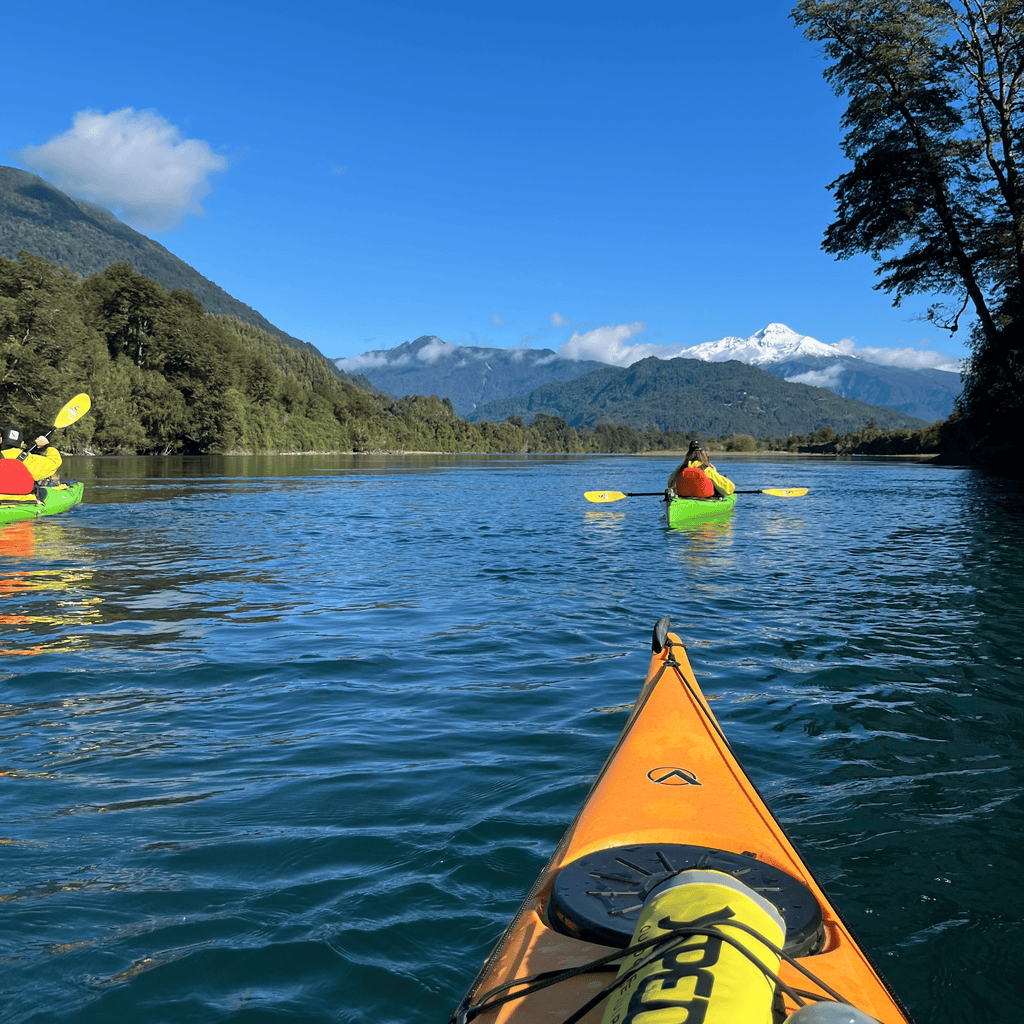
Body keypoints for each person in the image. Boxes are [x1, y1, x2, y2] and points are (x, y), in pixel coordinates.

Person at [666, 440, 735, 499]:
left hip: (684, 497)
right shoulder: (706, 468)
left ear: (688, 454)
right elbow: (729, 489)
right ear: (702, 454)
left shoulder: (681, 468)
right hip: (705, 498)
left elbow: (670, 484)